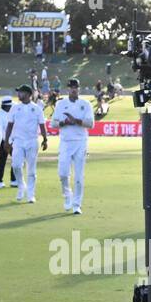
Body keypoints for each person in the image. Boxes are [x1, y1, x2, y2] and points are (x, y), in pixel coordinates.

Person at [50, 78, 93, 214]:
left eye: (76, 87)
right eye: (71, 87)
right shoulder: (61, 104)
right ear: (67, 89)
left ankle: (76, 204)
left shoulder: (85, 104)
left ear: (79, 89)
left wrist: (76, 120)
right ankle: (67, 196)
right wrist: (65, 122)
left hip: (81, 142)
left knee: (79, 176)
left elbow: (91, 124)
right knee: (63, 173)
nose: (74, 89)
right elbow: (53, 123)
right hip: (65, 142)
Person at [3, 84, 47, 203]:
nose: (19, 95)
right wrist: (6, 141)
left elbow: (42, 125)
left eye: (21, 92)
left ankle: (31, 195)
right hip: (18, 141)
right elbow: (10, 125)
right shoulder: (15, 108)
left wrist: (45, 139)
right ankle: (21, 186)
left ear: (28, 94)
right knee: (16, 165)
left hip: (32, 141)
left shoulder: (37, 108)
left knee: (31, 170)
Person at [0, 96, 16, 188]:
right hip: (3, 141)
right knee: (2, 161)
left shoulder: (10, 113)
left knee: (16, 160)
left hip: (12, 141)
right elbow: (0, 131)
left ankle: (14, 180)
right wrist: (4, 143)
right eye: (10, 106)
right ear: (5, 106)